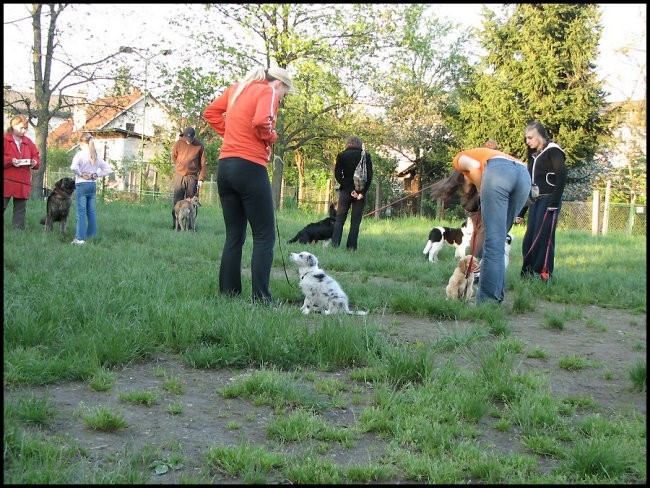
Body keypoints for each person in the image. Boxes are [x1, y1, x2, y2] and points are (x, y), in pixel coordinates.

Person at [203, 66, 293, 304]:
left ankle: (229, 294)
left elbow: (210, 113)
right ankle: (262, 299)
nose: (282, 97)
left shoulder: (236, 90)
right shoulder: (267, 92)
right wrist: (271, 137)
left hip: (225, 167)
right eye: (285, 92)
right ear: (278, 84)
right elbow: (263, 122)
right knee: (264, 235)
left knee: (234, 235)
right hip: (250, 167)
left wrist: (231, 132)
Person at [432, 146, 530, 304]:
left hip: (500, 174)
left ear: (463, 176)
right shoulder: (490, 156)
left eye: (465, 188)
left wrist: (480, 190)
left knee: (493, 243)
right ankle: (496, 297)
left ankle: (488, 301)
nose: (466, 191)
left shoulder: (459, 159)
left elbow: (475, 167)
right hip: (524, 175)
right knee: (498, 240)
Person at [515, 121, 567, 280]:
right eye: (526, 138)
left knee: (544, 237)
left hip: (549, 201)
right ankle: (528, 272)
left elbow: (562, 177)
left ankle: (544, 274)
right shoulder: (533, 156)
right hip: (535, 201)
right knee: (530, 237)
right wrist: (521, 211)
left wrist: (553, 203)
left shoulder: (554, 151)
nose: (527, 141)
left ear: (539, 135)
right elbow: (529, 184)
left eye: (530, 137)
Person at [69, 132, 113, 244]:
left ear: (81, 142)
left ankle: (80, 238)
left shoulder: (80, 154)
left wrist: (80, 174)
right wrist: (95, 175)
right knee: (91, 211)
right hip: (92, 185)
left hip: (81, 184)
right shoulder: (95, 155)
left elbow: (73, 167)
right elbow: (108, 169)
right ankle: (92, 236)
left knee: (81, 212)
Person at [331, 136, 373, 251]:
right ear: (360, 144)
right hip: (360, 193)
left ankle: (335, 245)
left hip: (345, 191)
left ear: (348, 143)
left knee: (339, 220)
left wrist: (350, 190)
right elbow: (369, 176)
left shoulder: (342, 155)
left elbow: (338, 175)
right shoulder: (365, 155)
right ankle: (351, 247)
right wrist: (361, 193)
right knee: (355, 222)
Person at [3, 114, 40, 229]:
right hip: (7, 180)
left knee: (20, 208)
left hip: (23, 180)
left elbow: (36, 156)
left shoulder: (28, 142)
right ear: (13, 127)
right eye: (21, 128)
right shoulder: (5, 140)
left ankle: (17, 230)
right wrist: (10, 160)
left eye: (25, 128)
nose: (23, 131)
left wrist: (34, 162)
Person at [171, 127, 206, 230]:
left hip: (192, 177)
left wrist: (201, 178)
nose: (188, 141)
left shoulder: (199, 145)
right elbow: (174, 156)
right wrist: (179, 164)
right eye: (187, 138)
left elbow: (203, 163)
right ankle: (176, 226)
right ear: (184, 136)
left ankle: (191, 227)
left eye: (190, 139)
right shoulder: (178, 143)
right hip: (179, 176)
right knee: (177, 202)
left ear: (194, 137)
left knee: (192, 203)